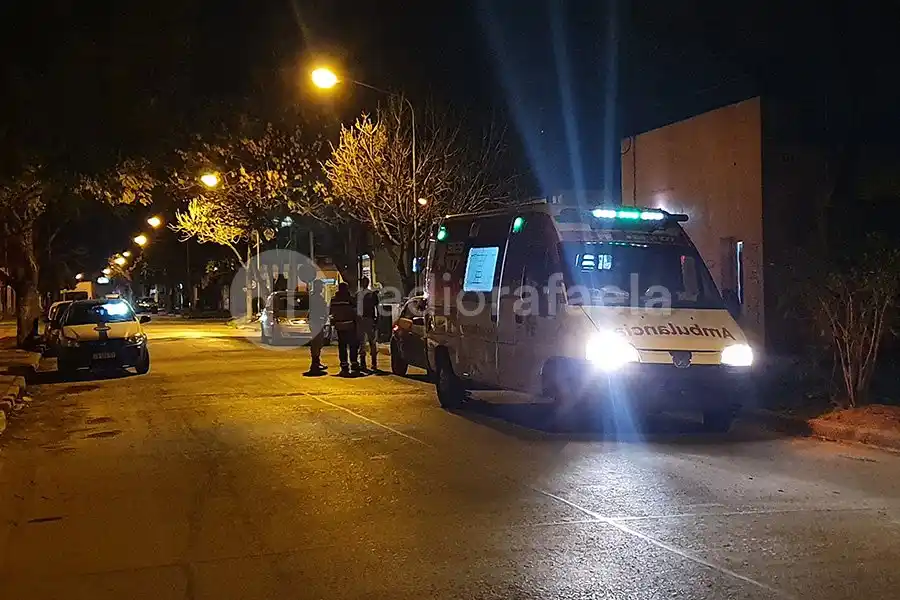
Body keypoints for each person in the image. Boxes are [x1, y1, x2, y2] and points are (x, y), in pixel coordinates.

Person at [329, 282, 360, 375]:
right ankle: (354, 364)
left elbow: (331, 312)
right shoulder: (350, 299)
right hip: (350, 325)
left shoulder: (334, 300)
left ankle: (344, 365)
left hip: (339, 326)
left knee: (342, 346)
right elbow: (356, 311)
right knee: (352, 345)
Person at [356, 276, 380, 371]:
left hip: (361, 319)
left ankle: (363, 363)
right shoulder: (371, 294)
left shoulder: (358, 294)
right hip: (369, 319)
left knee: (362, 342)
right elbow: (377, 308)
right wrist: (377, 319)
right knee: (372, 341)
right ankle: (373, 363)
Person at [306, 279, 328, 375]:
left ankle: (316, 362)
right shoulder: (316, 298)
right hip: (316, 322)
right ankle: (315, 363)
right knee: (316, 343)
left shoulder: (314, 297)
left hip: (316, 321)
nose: (322, 288)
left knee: (318, 343)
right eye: (321, 286)